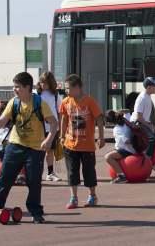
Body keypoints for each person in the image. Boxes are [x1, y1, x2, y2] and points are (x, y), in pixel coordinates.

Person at [0, 72, 58, 224]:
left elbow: (54, 123)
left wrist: (49, 139)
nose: (14, 90)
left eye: (17, 87)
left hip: (35, 149)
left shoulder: (40, 103)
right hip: (15, 145)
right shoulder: (14, 103)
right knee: (5, 178)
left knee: (34, 182)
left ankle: (36, 212)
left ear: (27, 88)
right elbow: (1, 121)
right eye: (14, 87)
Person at [59, 74, 105, 209]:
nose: (66, 91)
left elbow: (99, 119)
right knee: (72, 172)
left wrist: (101, 137)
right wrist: (61, 136)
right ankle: (73, 197)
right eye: (66, 88)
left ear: (78, 87)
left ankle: (92, 195)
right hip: (70, 144)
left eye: (68, 88)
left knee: (89, 172)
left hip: (87, 146)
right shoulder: (65, 102)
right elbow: (64, 119)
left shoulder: (90, 101)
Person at [130, 77, 155, 172]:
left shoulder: (148, 96)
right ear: (149, 87)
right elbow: (139, 117)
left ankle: (154, 160)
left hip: (144, 122)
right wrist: (149, 125)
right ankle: (147, 162)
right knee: (152, 139)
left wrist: (150, 124)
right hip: (137, 123)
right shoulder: (142, 98)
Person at [37, 71, 63, 182]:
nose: (43, 85)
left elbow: (60, 112)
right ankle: (37, 172)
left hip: (52, 128)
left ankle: (50, 172)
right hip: (38, 127)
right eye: (42, 83)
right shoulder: (36, 94)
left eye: (46, 83)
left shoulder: (56, 95)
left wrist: (61, 128)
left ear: (51, 83)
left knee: (50, 151)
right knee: (38, 151)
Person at [105, 110, 134, 184]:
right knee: (114, 151)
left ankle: (122, 176)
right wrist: (121, 110)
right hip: (133, 149)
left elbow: (127, 141)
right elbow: (128, 111)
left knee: (108, 157)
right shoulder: (127, 120)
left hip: (127, 151)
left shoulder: (117, 129)